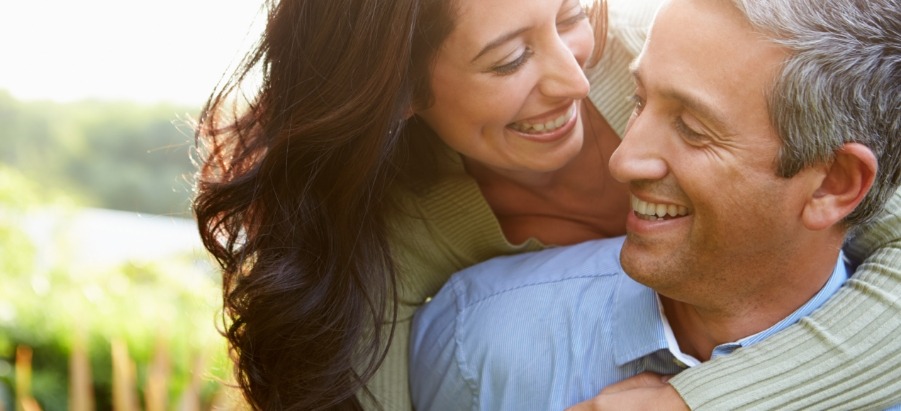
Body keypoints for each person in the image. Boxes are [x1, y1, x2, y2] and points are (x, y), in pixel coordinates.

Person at [190, 0, 901, 409]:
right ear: (400, 92)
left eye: (566, 15)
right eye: (507, 60)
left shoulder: (695, 73)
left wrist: (703, 402)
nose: (573, 77)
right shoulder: (403, 235)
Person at [409, 0, 901, 409]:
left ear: (832, 184)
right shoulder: (473, 340)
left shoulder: (645, 42)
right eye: (638, 100)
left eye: (692, 128)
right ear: (404, 94)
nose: (621, 160)